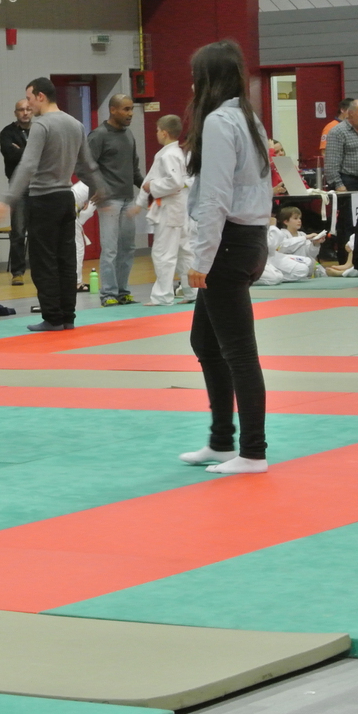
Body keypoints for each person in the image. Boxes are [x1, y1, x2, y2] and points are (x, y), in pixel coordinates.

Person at [179, 40, 272, 476]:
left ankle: (253, 451)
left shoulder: (220, 122)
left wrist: (201, 259)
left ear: (208, 80)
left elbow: (215, 197)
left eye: (195, 77)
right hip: (248, 239)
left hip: (228, 244)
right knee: (205, 342)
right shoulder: (248, 118)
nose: (191, 86)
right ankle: (221, 441)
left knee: (239, 352)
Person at [0, 78, 100, 332]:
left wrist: (8, 198)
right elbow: (87, 165)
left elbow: (28, 164)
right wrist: (100, 190)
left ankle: (53, 317)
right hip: (65, 198)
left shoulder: (41, 125)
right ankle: (68, 317)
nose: (28, 105)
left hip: (43, 199)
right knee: (66, 260)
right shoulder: (75, 124)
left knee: (44, 262)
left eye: (30, 99)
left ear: (41, 96)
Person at [88, 94, 144, 306]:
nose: (130, 114)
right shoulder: (99, 135)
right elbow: (85, 166)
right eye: (126, 109)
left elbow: (134, 169)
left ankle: (122, 291)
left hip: (128, 199)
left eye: (131, 109)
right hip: (109, 201)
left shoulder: (128, 135)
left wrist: (148, 189)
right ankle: (108, 294)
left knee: (127, 248)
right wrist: (98, 189)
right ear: (113, 110)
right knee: (110, 249)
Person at [139, 115, 196, 306]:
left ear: (164, 133)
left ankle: (162, 295)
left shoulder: (169, 154)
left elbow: (175, 182)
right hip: (178, 209)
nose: (156, 133)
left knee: (163, 253)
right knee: (184, 252)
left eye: (157, 130)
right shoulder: (175, 153)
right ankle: (192, 291)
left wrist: (152, 186)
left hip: (171, 210)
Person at [0, 98, 34, 285]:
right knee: (19, 231)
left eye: (28, 109)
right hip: (18, 187)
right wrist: (32, 153)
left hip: (39, 185)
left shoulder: (39, 130)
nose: (25, 113)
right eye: (21, 109)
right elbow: (10, 154)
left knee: (39, 231)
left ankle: (40, 269)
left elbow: (47, 154)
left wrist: (22, 151)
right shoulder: (7, 132)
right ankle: (18, 272)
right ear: (16, 113)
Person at [323, 99, 358, 192]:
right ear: (351, 113)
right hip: (347, 183)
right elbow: (331, 164)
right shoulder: (337, 132)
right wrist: (338, 185)